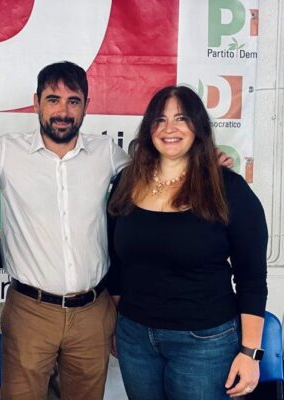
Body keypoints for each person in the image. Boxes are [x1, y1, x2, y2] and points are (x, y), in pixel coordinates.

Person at [0, 62, 234, 400]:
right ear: (37, 103)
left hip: (92, 311)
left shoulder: (106, 152)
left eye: (73, 101)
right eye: (53, 99)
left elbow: (158, 173)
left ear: (86, 105)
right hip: (30, 311)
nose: (63, 110)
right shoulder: (8, 152)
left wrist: (203, 163)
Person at [106, 85, 268, 400]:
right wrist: (119, 323)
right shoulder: (126, 183)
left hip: (204, 342)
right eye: (160, 119)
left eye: (181, 118)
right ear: (149, 128)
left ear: (198, 127)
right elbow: (116, 262)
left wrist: (250, 353)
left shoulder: (228, 189)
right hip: (135, 337)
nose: (170, 128)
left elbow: (251, 279)